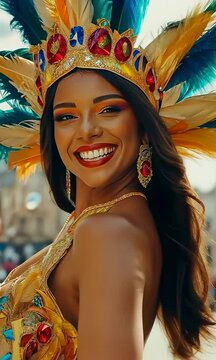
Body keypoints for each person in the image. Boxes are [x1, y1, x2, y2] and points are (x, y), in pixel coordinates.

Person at [0, 1, 215, 359]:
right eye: (66, 116)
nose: (87, 130)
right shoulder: (101, 223)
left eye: (109, 109)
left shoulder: (107, 234)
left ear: (144, 129)